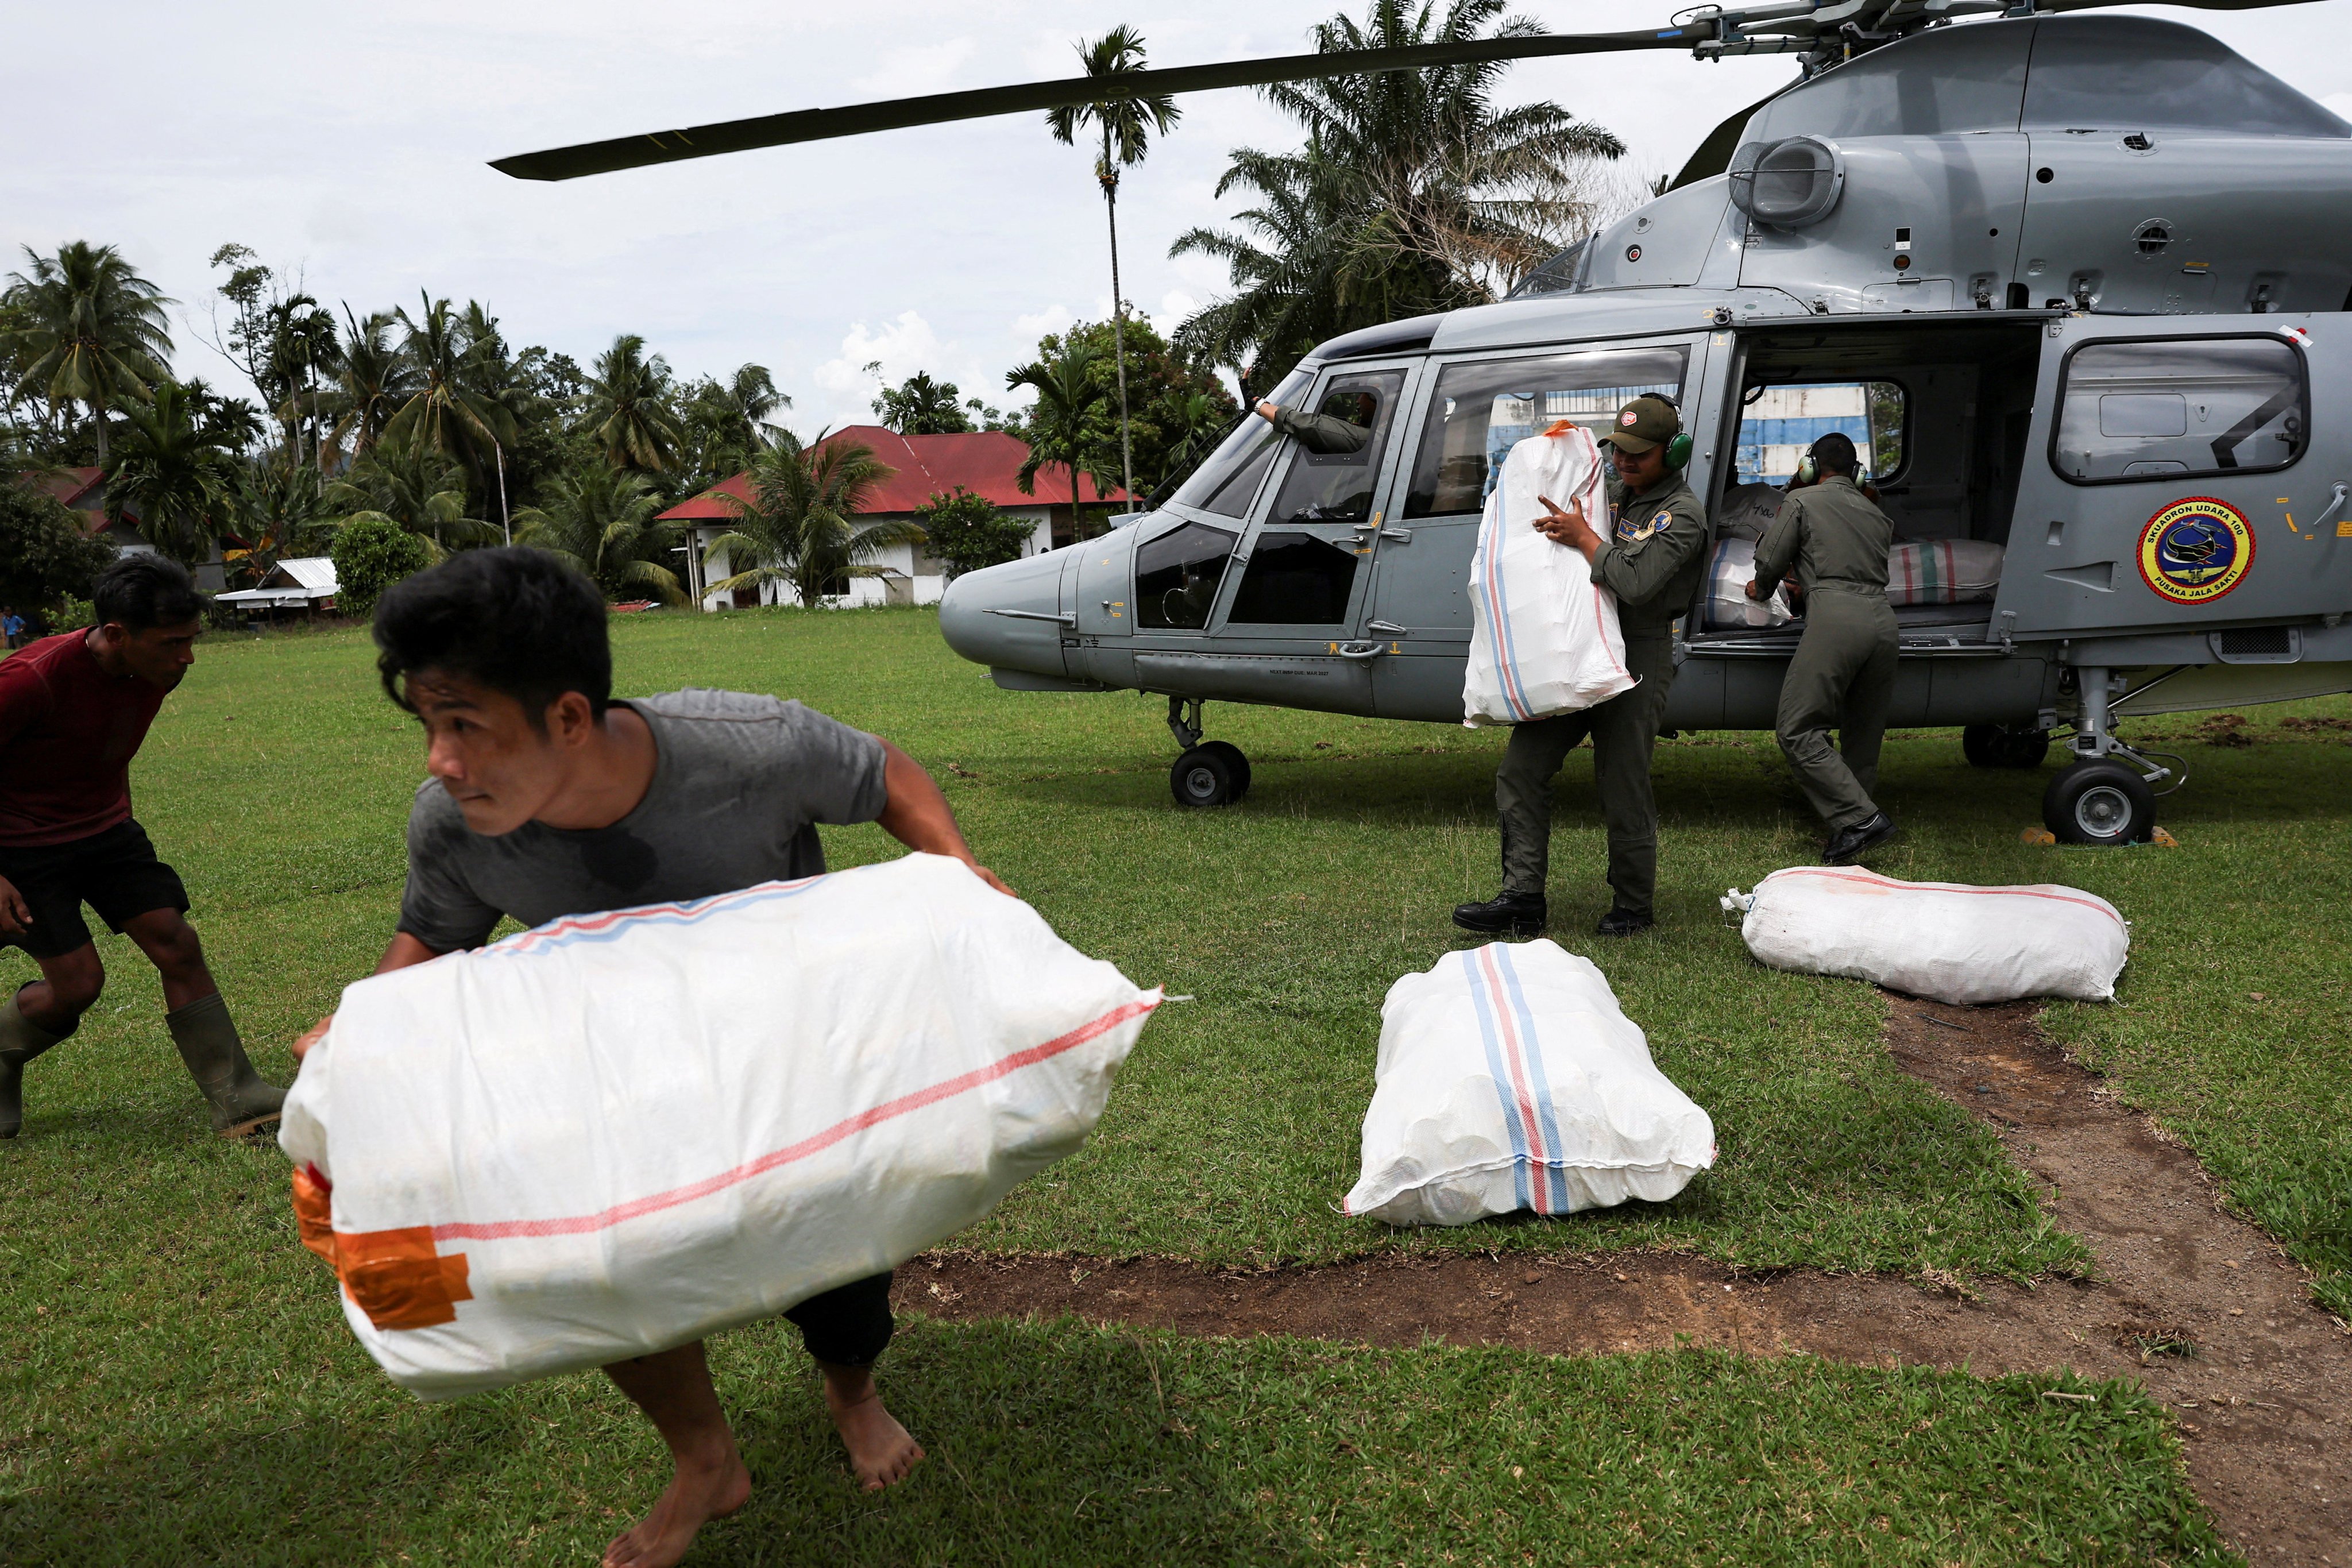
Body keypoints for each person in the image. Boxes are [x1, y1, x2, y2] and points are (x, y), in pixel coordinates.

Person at [291, 547, 1010, 1568]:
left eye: (464, 727)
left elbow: (881, 773)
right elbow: (435, 937)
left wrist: (961, 872)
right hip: (618, 1092)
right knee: (608, 1267)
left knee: (842, 1272)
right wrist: (360, 1021)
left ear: (570, 718)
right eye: (427, 726)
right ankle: (706, 1457)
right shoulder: (456, 826)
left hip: (787, 1066)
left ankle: (852, 1391)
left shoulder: (748, 747)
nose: (439, 762)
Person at [0, 555, 287, 1140]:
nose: (187, 657)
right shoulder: (32, 679)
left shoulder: (154, 671)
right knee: (78, 986)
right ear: (115, 635)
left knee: (176, 942)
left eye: (191, 640)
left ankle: (238, 1099)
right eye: (172, 643)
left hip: (105, 831)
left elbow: (99, 744)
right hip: (22, 846)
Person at [1454, 394, 1710, 939]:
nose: (1624, 462)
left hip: (1637, 652)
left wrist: (1584, 538)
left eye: (1639, 454)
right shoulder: (1608, 488)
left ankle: (1633, 905)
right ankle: (1521, 897)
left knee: (1621, 781)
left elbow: (1637, 583)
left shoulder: (1683, 516)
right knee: (1521, 769)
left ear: (1675, 452)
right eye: (1619, 450)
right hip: (1573, 642)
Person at [1747, 430, 1900, 864]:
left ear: (1808, 468)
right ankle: (1849, 829)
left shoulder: (1801, 502)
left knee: (1796, 729)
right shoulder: (1875, 513)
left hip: (1836, 619)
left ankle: (1859, 819)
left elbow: (1772, 557)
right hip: (1882, 622)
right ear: (1856, 473)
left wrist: (1761, 589)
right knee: (1863, 734)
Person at [1254, 390, 1374, 454]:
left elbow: (1313, 427)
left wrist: (1258, 405)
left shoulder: (1373, 439)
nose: (1358, 400)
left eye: (1364, 395)